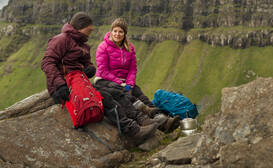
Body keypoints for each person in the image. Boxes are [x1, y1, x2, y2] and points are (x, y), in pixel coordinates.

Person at [41, 12, 157, 142]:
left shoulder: (81, 43)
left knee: (108, 95)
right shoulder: (61, 40)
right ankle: (133, 131)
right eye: (89, 29)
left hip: (79, 81)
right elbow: (47, 62)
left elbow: (86, 62)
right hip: (63, 87)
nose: (91, 32)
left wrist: (89, 68)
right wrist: (59, 85)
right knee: (104, 99)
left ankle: (137, 124)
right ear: (81, 27)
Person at [95, 18, 180, 133]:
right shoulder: (103, 47)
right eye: (115, 31)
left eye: (121, 31)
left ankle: (163, 119)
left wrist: (129, 84)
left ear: (125, 33)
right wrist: (121, 83)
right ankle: (153, 121)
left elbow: (132, 69)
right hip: (105, 80)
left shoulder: (130, 48)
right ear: (111, 31)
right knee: (126, 96)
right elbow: (103, 70)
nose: (117, 34)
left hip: (125, 81)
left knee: (140, 94)